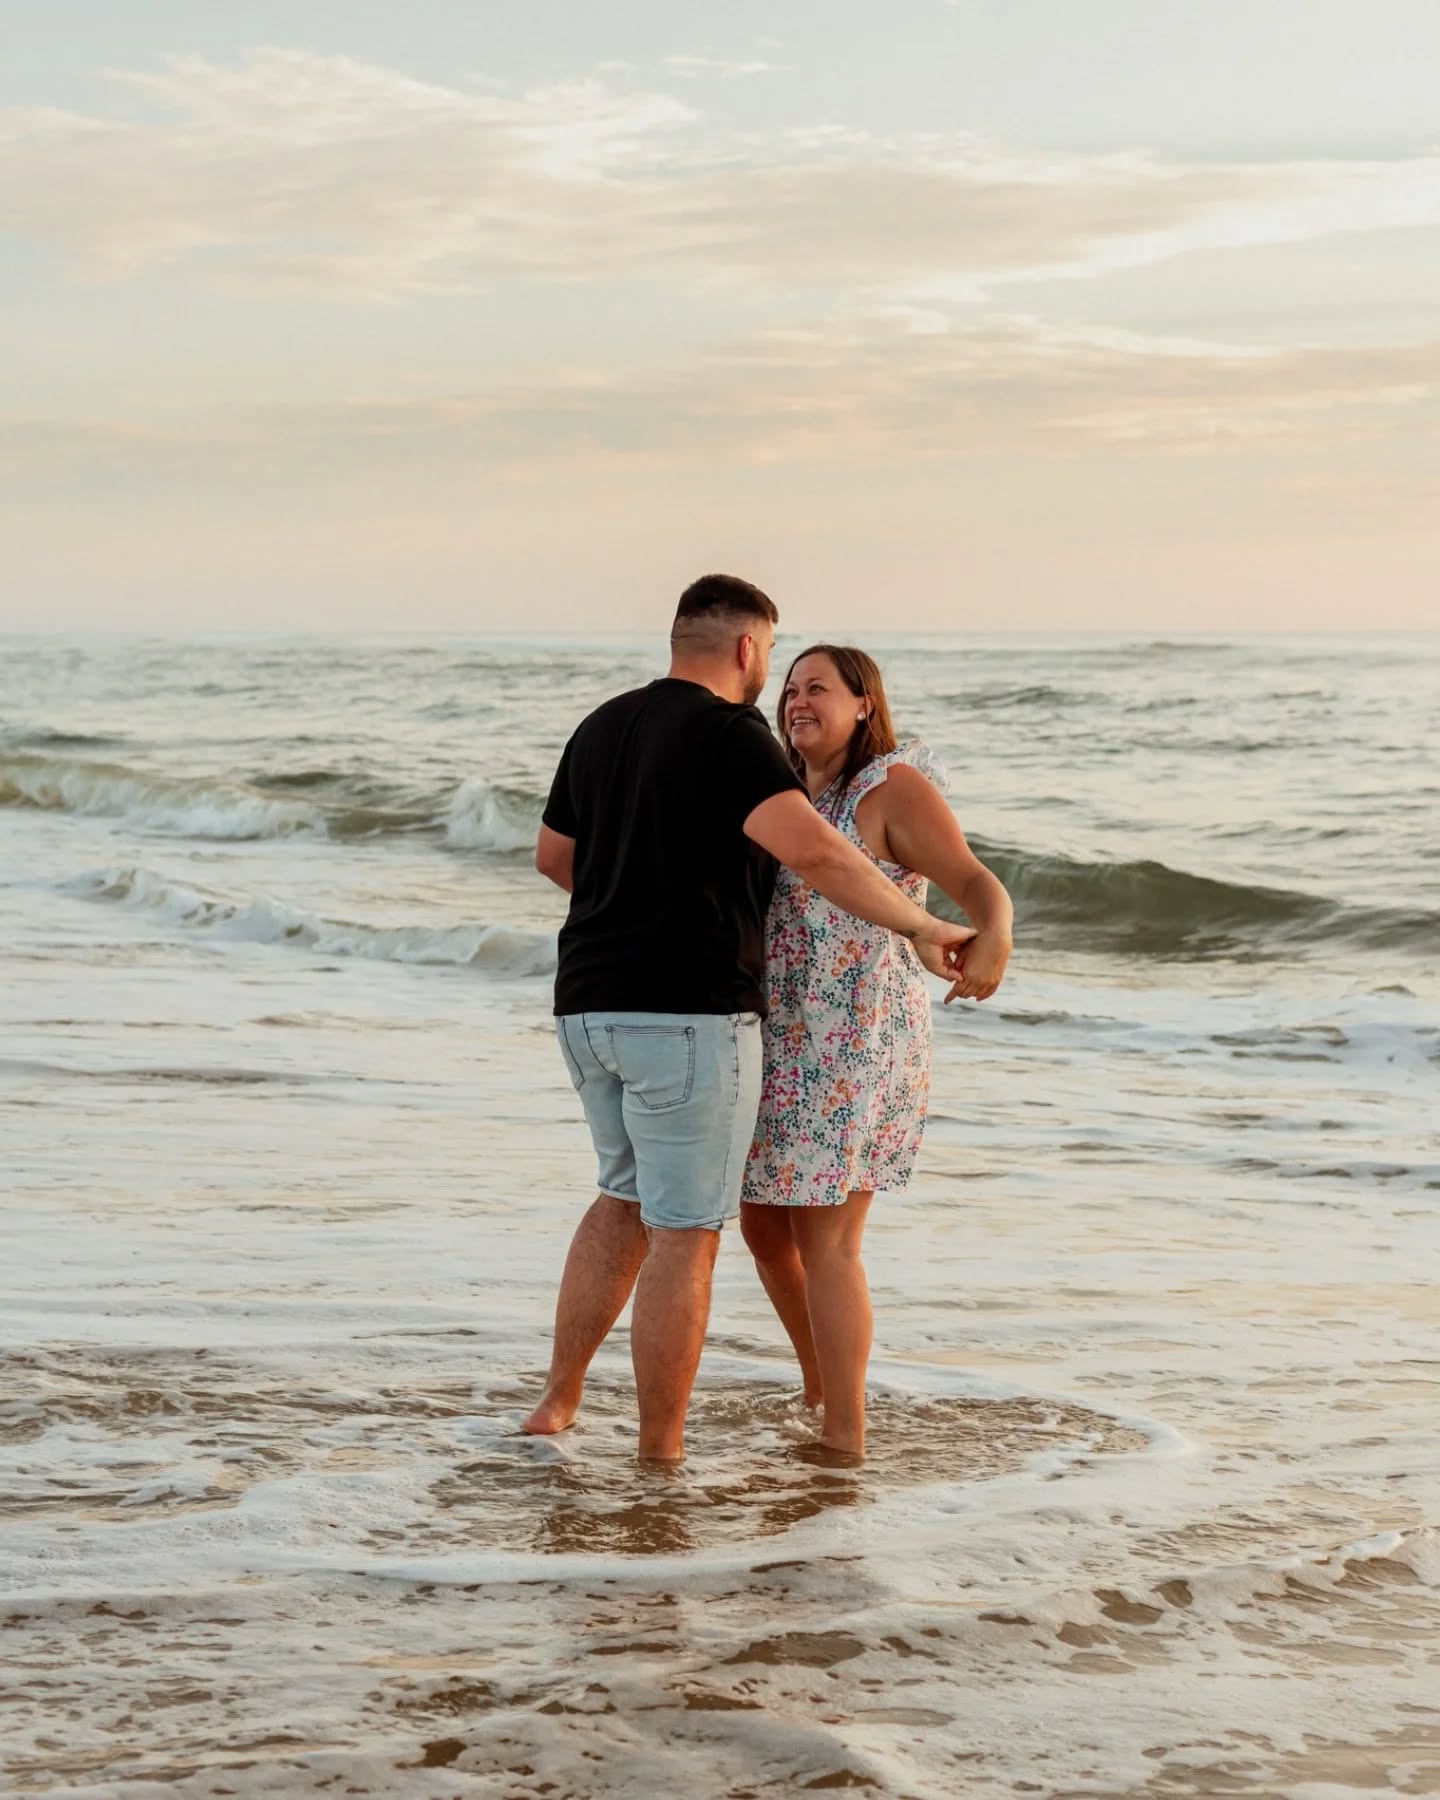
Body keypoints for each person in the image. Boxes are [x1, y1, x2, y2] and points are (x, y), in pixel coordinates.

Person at [524, 579, 979, 1462]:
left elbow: (553, 858)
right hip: (688, 1017)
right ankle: (660, 1453)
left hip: (586, 1006)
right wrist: (924, 926)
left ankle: (559, 1398)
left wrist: (635, 905)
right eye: (775, 659)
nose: (775, 680)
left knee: (622, 1200)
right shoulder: (732, 734)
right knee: (684, 1233)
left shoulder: (601, 725)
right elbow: (814, 851)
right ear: (746, 649)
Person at [740, 644, 1014, 1459]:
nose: (797, 701)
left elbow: (975, 879)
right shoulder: (789, 790)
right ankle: (820, 1385)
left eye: (818, 688)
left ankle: (844, 1437)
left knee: (829, 1240)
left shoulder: (889, 788)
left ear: (865, 703)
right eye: (791, 688)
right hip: (783, 1032)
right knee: (764, 1226)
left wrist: (996, 933)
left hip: (856, 1038)